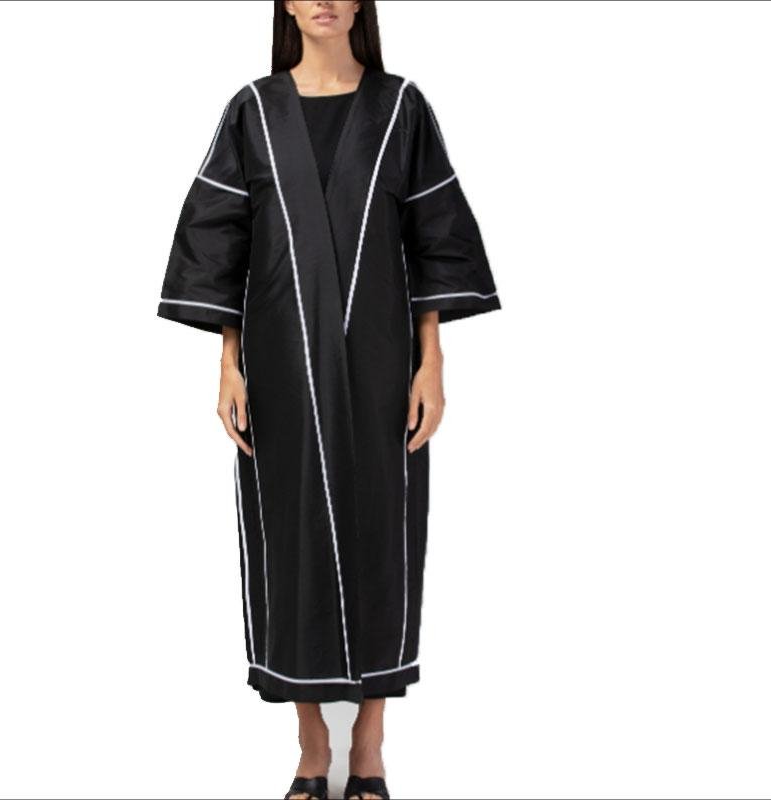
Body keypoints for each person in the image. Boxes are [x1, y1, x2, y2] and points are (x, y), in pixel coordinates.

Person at [156, 2, 500, 797]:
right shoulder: (253, 110)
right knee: (291, 535)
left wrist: (431, 361)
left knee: (384, 528)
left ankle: (369, 743)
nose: (324, 0)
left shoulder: (400, 106)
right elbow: (223, 242)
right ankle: (313, 743)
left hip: (382, 363)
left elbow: (433, 234)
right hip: (280, 366)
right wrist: (228, 364)